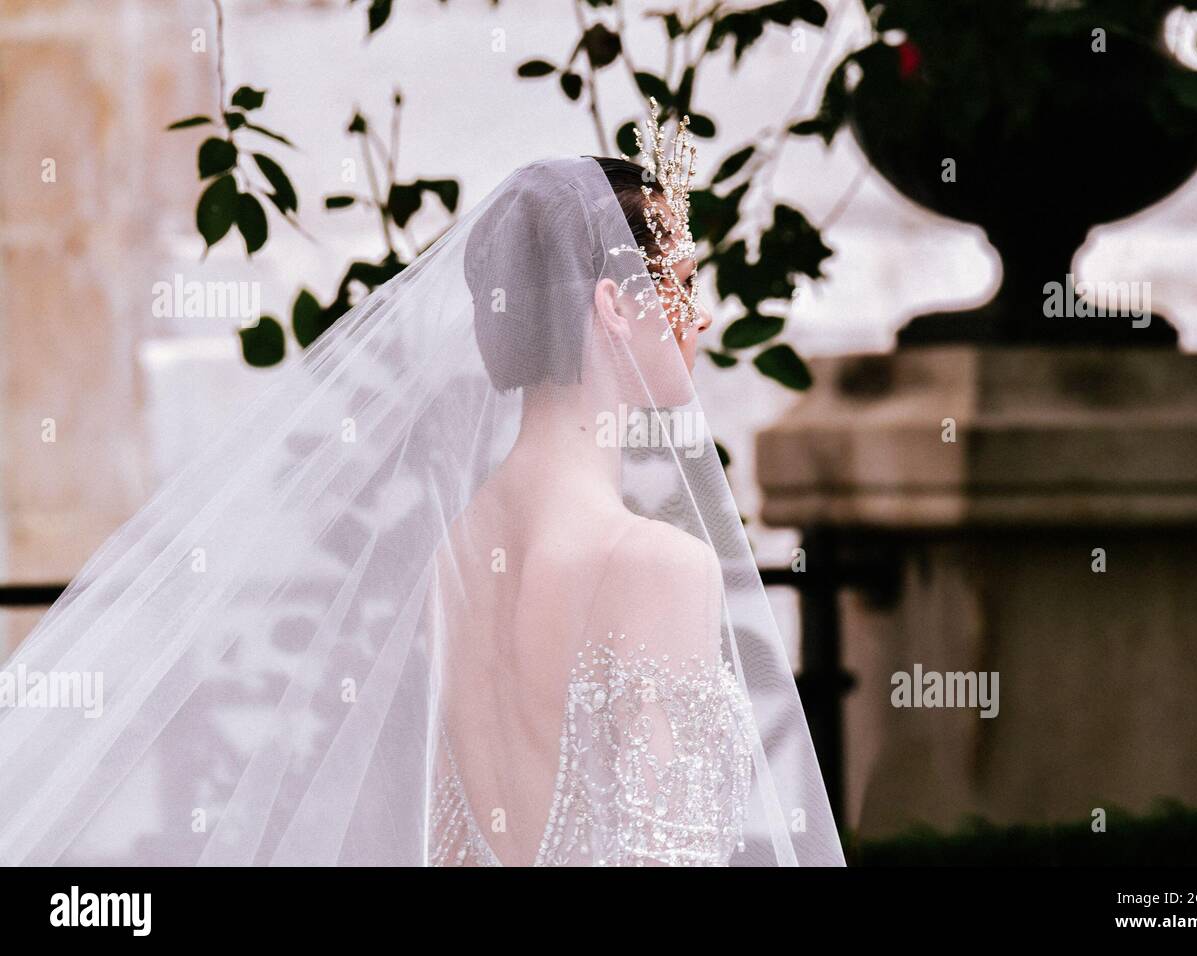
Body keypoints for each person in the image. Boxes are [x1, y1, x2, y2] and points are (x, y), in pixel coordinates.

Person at [0, 104, 844, 867]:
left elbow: (448, 843)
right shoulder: (658, 567)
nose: (701, 318)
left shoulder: (457, 545)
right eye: (684, 286)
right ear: (614, 308)